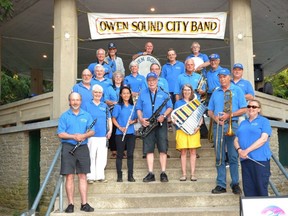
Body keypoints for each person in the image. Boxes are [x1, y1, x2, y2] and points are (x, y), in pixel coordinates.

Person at [207, 68, 247, 195]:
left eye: (224, 77)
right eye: (220, 77)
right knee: (219, 157)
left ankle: (235, 183)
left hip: (232, 125)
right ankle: (221, 184)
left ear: (229, 77)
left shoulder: (237, 90)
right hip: (218, 126)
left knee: (233, 156)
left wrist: (229, 115)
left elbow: (244, 109)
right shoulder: (215, 92)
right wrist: (215, 118)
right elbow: (209, 111)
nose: (222, 79)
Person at [57, 92, 95, 213]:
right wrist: (74, 137)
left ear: (81, 101)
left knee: (83, 176)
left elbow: (92, 131)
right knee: (69, 176)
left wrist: (84, 135)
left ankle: (84, 204)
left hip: (82, 147)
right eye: (73, 100)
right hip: (68, 147)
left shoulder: (87, 115)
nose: (75, 102)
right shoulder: (64, 116)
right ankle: (70, 205)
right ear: (69, 101)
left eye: (77, 100)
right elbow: (60, 133)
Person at [136, 72, 173, 182]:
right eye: (149, 80)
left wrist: (164, 115)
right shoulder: (142, 93)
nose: (151, 82)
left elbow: (170, 106)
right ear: (147, 82)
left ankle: (163, 172)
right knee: (149, 149)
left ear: (157, 81)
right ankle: (150, 173)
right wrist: (141, 119)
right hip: (148, 124)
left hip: (160, 124)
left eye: (153, 80)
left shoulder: (164, 93)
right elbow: (138, 108)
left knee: (162, 148)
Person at [234, 99, 272, 197]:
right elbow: (236, 140)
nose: (251, 108)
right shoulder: (243, 123)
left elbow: (263, 139)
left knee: (261, 190)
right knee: (248, 191)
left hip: (260, 161)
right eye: (249, 106)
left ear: (259, 109)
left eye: (254, 107)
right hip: (245, 161)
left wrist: (246, 151)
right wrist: (239, 150)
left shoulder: (264, 121)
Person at [82, 84, 113, 183]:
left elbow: (109, 119)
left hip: (103, 135)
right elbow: (83, 119)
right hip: (91, 135)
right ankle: (90, 176)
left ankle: (100, 176)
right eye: (96, 92)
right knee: (91, 155)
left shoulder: (104, 106)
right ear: (92, 93)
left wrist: (110, 130)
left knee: (102, 156)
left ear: (102, 94)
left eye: (99, 92)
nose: (98, 94)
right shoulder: (87, 105)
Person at [174, 84, 202, 181]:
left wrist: (198, 126)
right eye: (185, 90)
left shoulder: (196, 102)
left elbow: (200, 117)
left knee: (193, 152)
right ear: (182, 92)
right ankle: (184, 174)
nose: (186, 92)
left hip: (193, 130)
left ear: (191, 91)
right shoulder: (178, 103)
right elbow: (175, 116)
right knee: (183, 152)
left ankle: (193, 174)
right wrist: (175, 121)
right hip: (181, 130)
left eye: (188, 90)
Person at [112, 86, 137, 182]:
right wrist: (120, 127)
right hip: (120, 133)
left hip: (131, 133)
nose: (126, 95)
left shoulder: (133, 106)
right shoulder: (118, 106)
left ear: (130, 94)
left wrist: (133, 121)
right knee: (119, 155)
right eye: (124, 93)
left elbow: (136, 119)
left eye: (127, 93)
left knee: (130, 154)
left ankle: (130, 175)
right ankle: (119, 175)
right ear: (121, 95)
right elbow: (114, 119)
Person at [109, 71, 125, 159]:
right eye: (116, 77)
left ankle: (123, 150)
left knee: (123, 131)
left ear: (122, 79)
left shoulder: (125, 88)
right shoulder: (109, 88)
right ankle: (114, 151)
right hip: (113, 111)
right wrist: (113, 102)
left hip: (123, 112)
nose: (118, 78)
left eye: (120, 77)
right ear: (113, 78)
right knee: (114, 131)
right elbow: (106, 100)